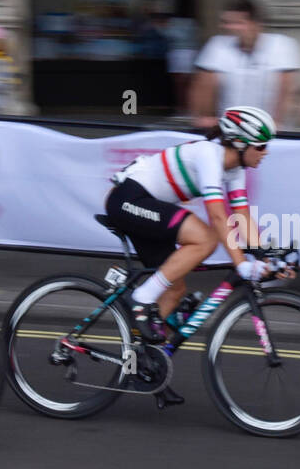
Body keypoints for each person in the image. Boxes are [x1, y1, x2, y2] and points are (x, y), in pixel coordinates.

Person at [105, 105, 283, 353]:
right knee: (205, 239)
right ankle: (141, 299)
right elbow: (218, 216)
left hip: (150, 208)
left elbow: (241, 215)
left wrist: (268, 256)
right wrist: (241, 263)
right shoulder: (209, 155)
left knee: (174, 291)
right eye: (261, 146)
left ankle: (146, 364)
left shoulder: (235, 170)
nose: (266, 153)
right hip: (128, 200)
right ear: (241, 144)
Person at [192, 0, 300, 131]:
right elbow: (204, 86)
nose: (230, 27)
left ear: (256, 24)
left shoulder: (283, 45)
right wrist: (204, 117)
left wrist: (276, 122)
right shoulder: (217, 44)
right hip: (230, 129)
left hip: (270, 130)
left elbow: (286, 89)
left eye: (237, 23)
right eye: (227, 23)